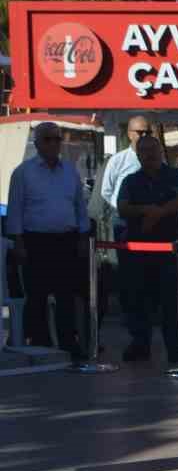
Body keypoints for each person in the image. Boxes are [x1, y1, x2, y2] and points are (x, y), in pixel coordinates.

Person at [4, 123, 89, 360]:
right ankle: (41, 342)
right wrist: (18, 242)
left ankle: (68, 342)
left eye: (57, 139)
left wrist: (83, 236)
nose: (53, 144)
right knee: (37, 295)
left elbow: (79, 206)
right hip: (35, 241)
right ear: (38, 143)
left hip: (66, 240)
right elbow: (15, 210)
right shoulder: (23, 172)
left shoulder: (70, 171)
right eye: (48, 139)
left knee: (66, 294)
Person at [116, 135, 178, 363]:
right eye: (144, 151)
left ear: (161, 151)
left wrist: (160, 212)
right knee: (138, 300)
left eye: (153, 150)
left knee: (171, 302)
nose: (149, 155)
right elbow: (122, 207)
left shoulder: (176, 175)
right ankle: (140, 344)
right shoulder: (131, 180)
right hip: (139, 251)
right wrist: (146, 210)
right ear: (138, 155)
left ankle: (175, 348)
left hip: (170, 250)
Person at [100, 116, 155, 331]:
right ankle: (130, 313)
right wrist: (124, 210)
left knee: (150, 269)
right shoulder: (118, 160)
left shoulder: (157, 159)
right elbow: (106, 191)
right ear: (129, 134)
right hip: (124, 221)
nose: (144, 136)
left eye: (147, 132)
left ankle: (150, 312)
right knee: (127, 270)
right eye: (139, 132)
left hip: (152, 219)